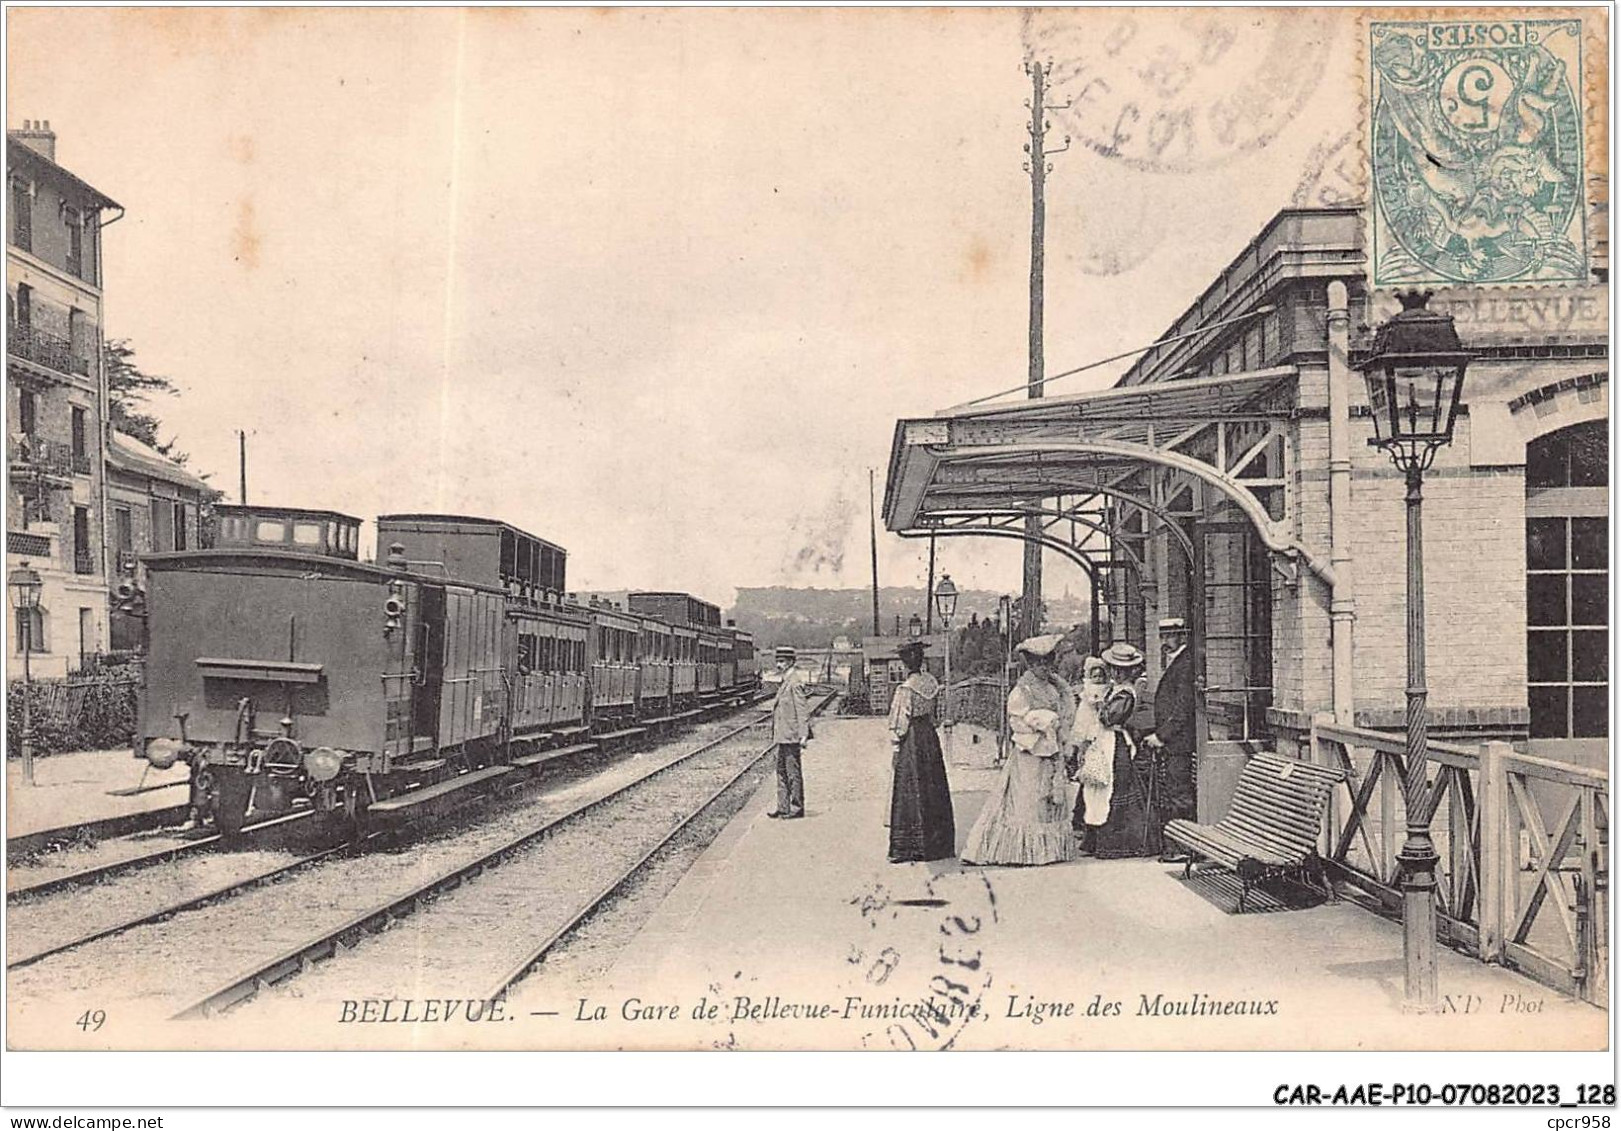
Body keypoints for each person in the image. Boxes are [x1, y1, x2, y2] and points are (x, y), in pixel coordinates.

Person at [961, 634, 1077, 867]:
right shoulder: (1022, 690)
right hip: (1031, 751)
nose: (1044, 667)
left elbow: (1065, 710)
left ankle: (1049, 851)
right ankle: (1022, 851)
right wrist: (1041, 722)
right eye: (1038, 663)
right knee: (1029, 799)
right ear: (1030, 664)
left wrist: (1060, 733)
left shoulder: (1054, 686)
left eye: (1047, 662)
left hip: (1051, 750)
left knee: (1049, 800)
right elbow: (1017, 721)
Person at [1071, 642, 1157, 858]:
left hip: (1116, 743)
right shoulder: (1115, 690)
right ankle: (1097, 839)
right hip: (1106, 741)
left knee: (1115, 790)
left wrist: (1101, 710)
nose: (1117, 674)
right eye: (1114, 669)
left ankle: (1119, 844)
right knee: (1100, 791)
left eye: (1121, 670)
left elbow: (1110, 718)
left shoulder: (1126, 693)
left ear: (1129, 671)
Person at [886, 641, 955, 862]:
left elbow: (900, 721)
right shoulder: (931, 683)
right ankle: (938, 845)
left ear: (905, 664)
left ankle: (910, 847)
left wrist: (896, 744)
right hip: (929, 736)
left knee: (911, 788)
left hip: (913, 738)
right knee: (933, 786)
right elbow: (939, 714)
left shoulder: (906, 689)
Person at [1145, 617, 1196, 859]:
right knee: (1173, 792)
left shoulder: (1185, 664)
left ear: (1182, 636)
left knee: (1179, 794)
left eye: (1170, 636)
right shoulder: (1177, 661)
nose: (1165, 642)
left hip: (1179, 743)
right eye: (1162, 637)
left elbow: (1183, 709)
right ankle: (1176, 846)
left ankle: (1183, 848)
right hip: (1173, 743)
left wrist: (1162, 736)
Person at [768, 645, 813, 819]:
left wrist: (803, 734)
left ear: (791, 662)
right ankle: (783, 806)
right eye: (778, 661)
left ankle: (796, 807)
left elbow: (802, 710)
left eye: (782, 661)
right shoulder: (785, 681)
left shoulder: (794, 682)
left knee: (792, 772)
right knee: (781, 771)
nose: (779, 665)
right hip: (782, 735)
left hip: (792, 735)